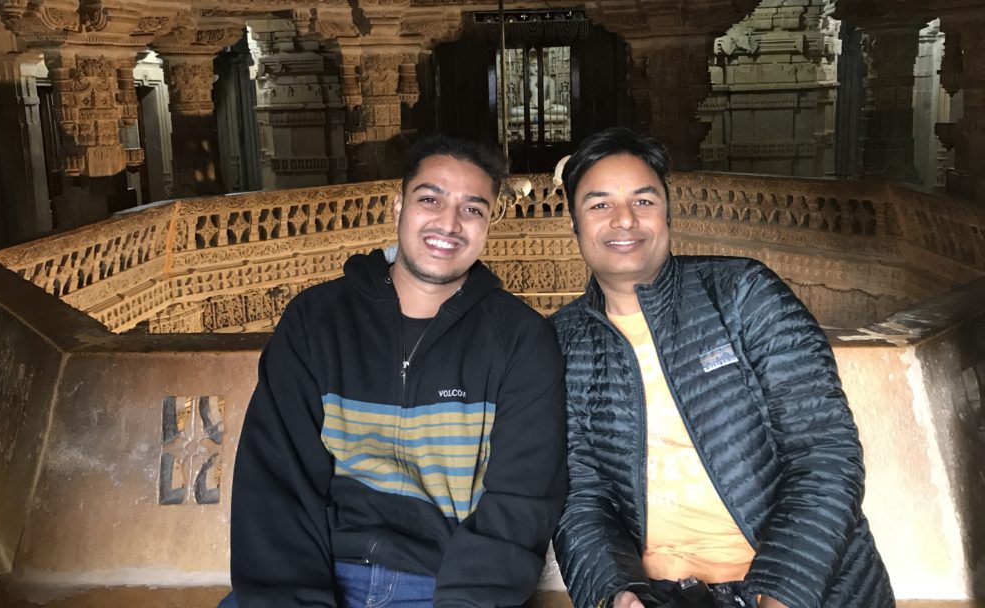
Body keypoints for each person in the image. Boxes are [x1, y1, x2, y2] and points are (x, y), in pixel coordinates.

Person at [551, 127, 894, 608]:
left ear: (668, 212)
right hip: (659, 594)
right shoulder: (562, 341)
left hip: (798, 584)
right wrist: (613, 593)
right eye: (600, 204)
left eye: (644, 201)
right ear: (574, 223)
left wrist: (783, 593)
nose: (624, 220)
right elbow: (581, 495)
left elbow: (824, 453)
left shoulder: (743, 294)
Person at [224, 135, 567, 608]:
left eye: (472, 209)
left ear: (491, 223)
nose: (448, 223)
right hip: (320, 572)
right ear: (397, 205)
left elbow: (522, 500)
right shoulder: (317, 320)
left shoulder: (521, 339)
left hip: (441, 585)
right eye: (430, 199)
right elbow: (275, 480)